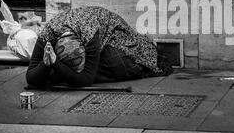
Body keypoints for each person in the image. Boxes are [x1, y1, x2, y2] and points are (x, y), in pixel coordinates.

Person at [26, 6, 172, 88]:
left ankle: (67, 71)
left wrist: (55, 64)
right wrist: (46, 64)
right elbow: (30, 78)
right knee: (57, 74)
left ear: (82, 48)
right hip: (85, 30)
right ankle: (67, 71)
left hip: (112, 35)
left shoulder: (90, 35)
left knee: (115, 62)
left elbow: (86, 80)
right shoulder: (47, 35)